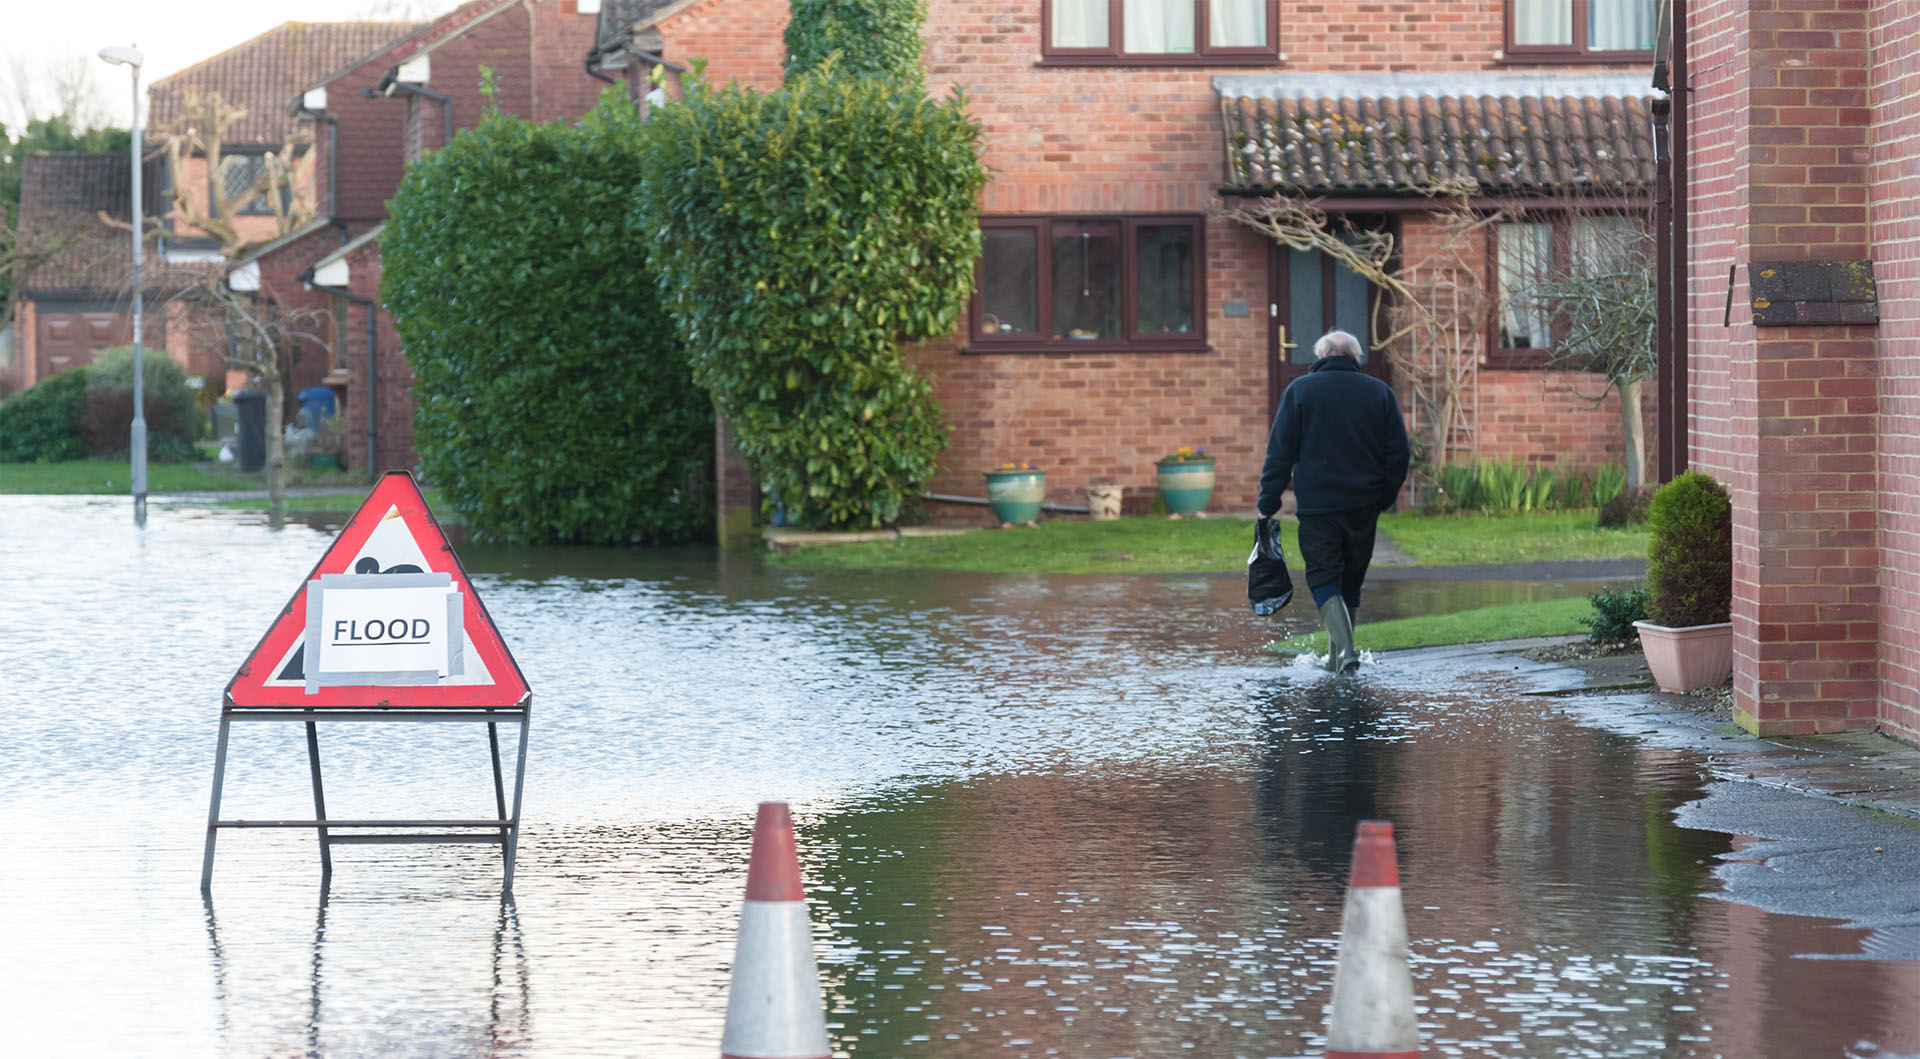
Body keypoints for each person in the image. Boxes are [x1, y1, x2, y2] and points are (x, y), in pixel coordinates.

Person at [1256, 329, 1410, 673]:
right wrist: (1383, 498)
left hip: (1318, 506)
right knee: (1350, 581)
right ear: (1355, 357)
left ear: (1321, 356)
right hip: (1363, 505)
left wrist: (1268, 502)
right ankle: (1336, 659)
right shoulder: (1379, 392)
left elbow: (1280, 452)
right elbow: (1399, 452)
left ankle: (1347, 652)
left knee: (1323, 579)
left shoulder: (1300, 391)